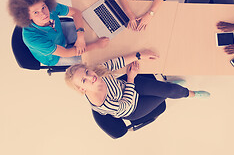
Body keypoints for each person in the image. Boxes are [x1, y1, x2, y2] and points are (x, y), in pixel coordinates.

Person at [65, 50, 210, 121]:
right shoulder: (102, 103)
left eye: (86, 71)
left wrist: (140, 55)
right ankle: (193, 94)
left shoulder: (96, 72)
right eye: (84, 80)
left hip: (129, 86)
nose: (91, 77)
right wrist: (130, 77)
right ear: (82, 89)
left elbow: (115, 63)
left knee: (168, 89)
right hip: (133, 108)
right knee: (167, 92)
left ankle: (174, 88)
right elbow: (127, 104)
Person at [8, 0, 109, 66]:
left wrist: (81, 36)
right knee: (93, 59)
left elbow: (76, 12)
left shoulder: (49, 6)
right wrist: (96, 45)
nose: (44, 14)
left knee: (94, 29)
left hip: (60, 34)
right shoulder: (31, 38)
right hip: (56, 57)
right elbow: (66, 52)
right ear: (27, 16)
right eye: (36, 12)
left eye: (43, 7)